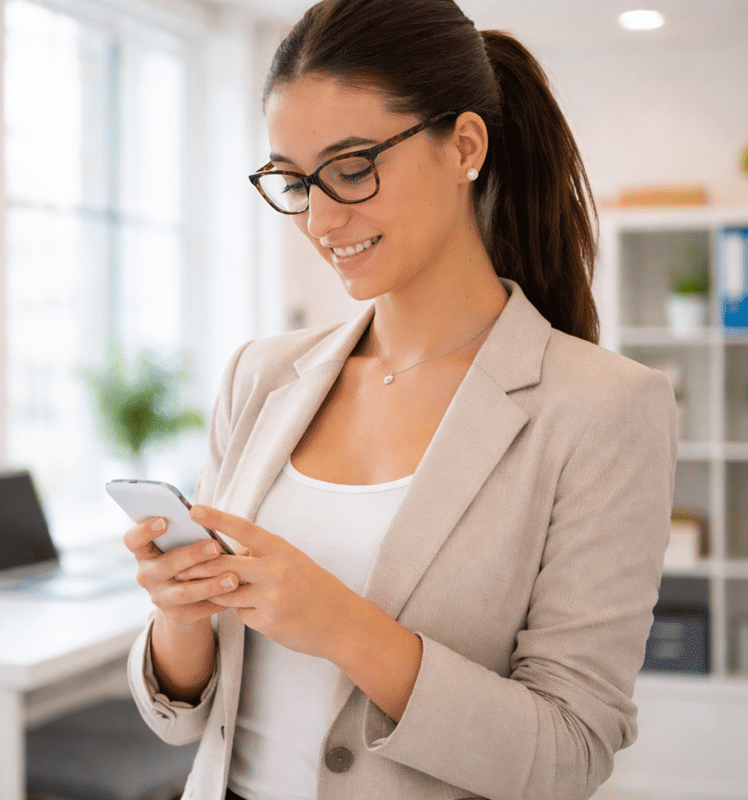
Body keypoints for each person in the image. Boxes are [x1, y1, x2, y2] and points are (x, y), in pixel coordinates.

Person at [122, 0, 677, 798]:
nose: (320, 217)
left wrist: (344, 628)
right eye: (292, 180)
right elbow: (179, 719)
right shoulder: (260, 378)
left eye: (352, 168)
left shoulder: (603, 408)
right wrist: (182, 616)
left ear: (464, 147)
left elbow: (569, 755)